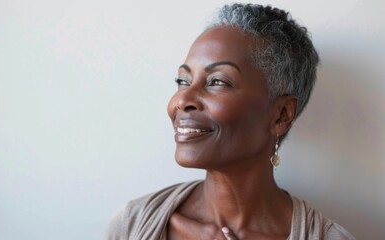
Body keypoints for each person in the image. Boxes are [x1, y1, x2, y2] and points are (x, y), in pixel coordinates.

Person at [104, 3, 355, 240]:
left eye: (217, 82)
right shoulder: (132, 224)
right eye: (183, 81)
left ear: (281, 115)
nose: (183, 100)